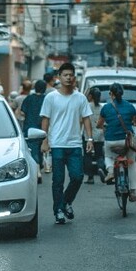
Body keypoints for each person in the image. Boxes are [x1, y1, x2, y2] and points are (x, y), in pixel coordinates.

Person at [40, 63, 94, 225]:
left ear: (74, 77)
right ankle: (58, 210)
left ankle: (65, 202)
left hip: (75, 144)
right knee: (57, 180)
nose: (69, 78)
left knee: (77, 177)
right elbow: (45, 120)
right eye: (65, 75)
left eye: (71, 75)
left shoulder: (80, 98)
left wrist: (89, 139)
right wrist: (44, 140)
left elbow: (86, 119)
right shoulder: (51, 97)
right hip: (57, 144)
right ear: (59, 77)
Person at [98, 83, 136, 200]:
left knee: (108, 156)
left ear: (111, 94)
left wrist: (104, 125)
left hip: (111, 141)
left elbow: (99, 124)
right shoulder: (130, 106)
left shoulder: (106, 108)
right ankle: (133, 192)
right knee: (131, 163)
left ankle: (110, 171)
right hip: (127, 142)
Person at [19, 79, 49, 170]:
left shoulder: (29, 98)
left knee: (33, 148)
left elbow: (22, 112)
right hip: (43, 127)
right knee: (41, 146)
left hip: (30, 126)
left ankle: (36, 165)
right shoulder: (46, 99)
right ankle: (39, 164)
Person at [84, 87, 105, 184]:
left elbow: (81, 120)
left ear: (90, 96)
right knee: (99, 155)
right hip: (100, 135)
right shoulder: (102, 108)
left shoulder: (87, 106)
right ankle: (100, 168)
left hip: (88, 135)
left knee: (88, 156)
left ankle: (90, 177)